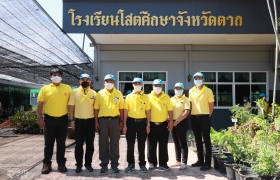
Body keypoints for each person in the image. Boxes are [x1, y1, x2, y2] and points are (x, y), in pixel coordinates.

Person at [37, 68, 72, 174]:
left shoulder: (67, 88)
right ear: (50, 77)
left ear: (61, 77)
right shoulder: (45, 88)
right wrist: (40, 118)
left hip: (63, 119)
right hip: (49, 119)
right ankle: (46, 164)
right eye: (54, 75)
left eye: (58, 75)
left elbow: (71, 105)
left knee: (61, 143)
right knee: (48, 143)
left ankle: (61, 163)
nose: (56, 76)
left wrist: (72, 119)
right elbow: (39, 104)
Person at [94, 74, 124, 173]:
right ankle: (104, 165)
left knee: (115, 143)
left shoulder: (118, 93)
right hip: (103, 121)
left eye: (111, 81)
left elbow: (121, 109)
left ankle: (114, 165)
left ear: (114, 82)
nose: (109, 83)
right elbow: (96, 109)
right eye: (107, 81)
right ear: (104, 82)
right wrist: (96, 122)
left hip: (115, 120)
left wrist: (122, 122)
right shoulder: (100, 94)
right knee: (103, 143)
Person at [68, 74, 96, 173]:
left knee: (90, 144)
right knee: (79, 144)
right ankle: (78, 165)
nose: (85, 81)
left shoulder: (94, 93)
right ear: (79, 81)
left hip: (90, 121)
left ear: (90, 81)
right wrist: (72, 120)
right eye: (83, 79)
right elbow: (71, 107)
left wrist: (96, 122)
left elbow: (95, 108)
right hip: (79, 121)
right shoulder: (74, 92)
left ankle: (88, 164)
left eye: (87, 79)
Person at [123, 77, 151, 173]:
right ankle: (130, 164)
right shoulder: (128, 96)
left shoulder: (146, 97)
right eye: (135, 83)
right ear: (132, 85)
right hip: (130, 122)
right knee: (130, 144)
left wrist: (148, 125)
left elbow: (148, 111)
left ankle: (142, 164)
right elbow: (125, 111)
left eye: (139, 83)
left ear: (142, 85)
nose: (137, 85)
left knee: (141, 144)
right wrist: (124, 124)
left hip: (142, 123)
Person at [189, 72, 214, 171]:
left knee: (206, 140)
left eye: (199, 78)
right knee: (197, 140)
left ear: (203, 79)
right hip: (194, 117)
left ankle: (207, 163)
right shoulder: (191, 91)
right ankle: (200, 160)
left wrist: (208, 115)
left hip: (204, 117)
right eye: (196, 78)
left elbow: (211, 105)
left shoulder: (208, 91)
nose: (197, 79)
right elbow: (190, 104)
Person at [147, 79, 173, 171]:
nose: (157, 87)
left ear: (162, 87)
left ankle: (163, 163)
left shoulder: (166, 97)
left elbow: (170, 110)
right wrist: (148, 124)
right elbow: (148, 111)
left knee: (163, 145)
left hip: (163, 125)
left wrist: (171, 123)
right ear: (152, 86)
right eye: (156, 85)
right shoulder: (148, 97)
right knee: (151, 145)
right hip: (152, 125)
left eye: (159, 86)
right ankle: (152, 163)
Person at [170, 82, 190, 170]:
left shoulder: (186, 99)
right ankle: (178, 161)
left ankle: (184, 162)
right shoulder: (171, 99)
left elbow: (186, 112)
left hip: (181, 122)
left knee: (182, 142)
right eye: (176, 88)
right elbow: (169, 111)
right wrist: (170, 121)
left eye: (179, 89)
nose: (178, 90)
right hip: (173, 122)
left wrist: (177, 121)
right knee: (176, 142)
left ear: (182, 90)